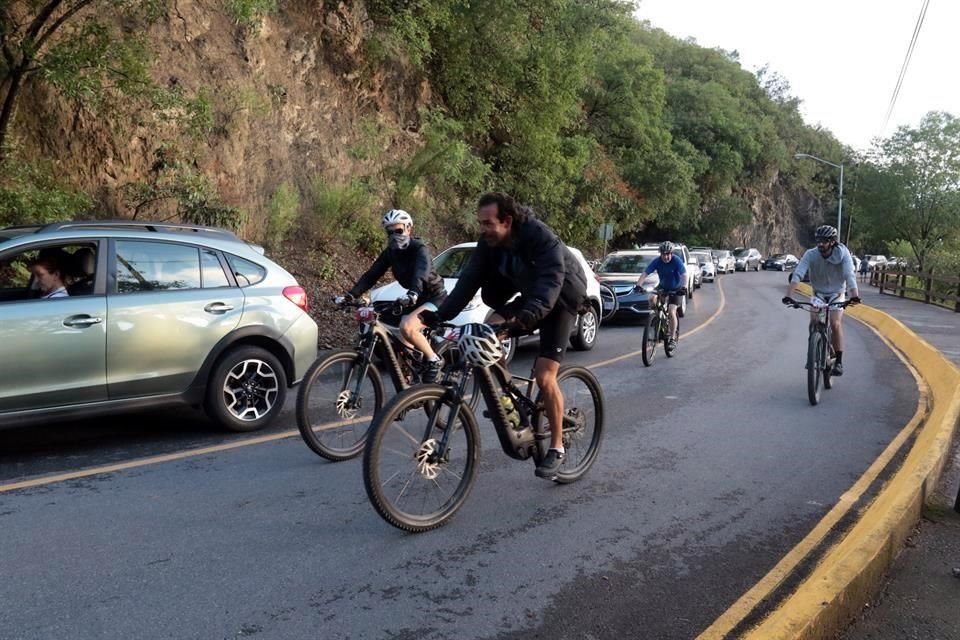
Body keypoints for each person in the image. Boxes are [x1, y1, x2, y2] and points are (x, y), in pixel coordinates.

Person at [425, 192, 588, 480]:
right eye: (480, 223)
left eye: (488, 223)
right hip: (530, 296)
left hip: (562, 297)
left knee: (544, 375)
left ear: (507, 220)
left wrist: (528, 315)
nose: (483, 229)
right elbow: (468, 281)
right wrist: (441, 315)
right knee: (487, 332)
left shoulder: (539, 236)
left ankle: (557, 447)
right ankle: (508, 401)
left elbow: (552, 278)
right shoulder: (489, 244)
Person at [344, 209, 448, 383]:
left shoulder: (419, 249)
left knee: (407, 327)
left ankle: (434, 360)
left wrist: (413, 292)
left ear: (408, 228)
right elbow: (372, 274)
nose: (394, 236)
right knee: (402, 337)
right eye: (389, 232)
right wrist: (351, 294)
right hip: (416, 297)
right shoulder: (390, 253)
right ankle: (408, 380)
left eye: (398, 231)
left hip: (435, 297)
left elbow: (421, 273)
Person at [782, 225, 861, 376]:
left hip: (837, 293)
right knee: (814, 321)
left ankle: (838, 361)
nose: (820, 244)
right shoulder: (811, 254)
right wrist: (788, 295)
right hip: (818, 293)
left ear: (832, 242)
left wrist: (854, 295)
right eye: (818, 241)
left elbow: (849, 276)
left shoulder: (843, 255)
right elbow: (798, 273)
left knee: (835, 324)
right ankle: (812, 354)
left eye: (824, 241)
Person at [642, 241, 686, 351]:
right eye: (663, 254)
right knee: (652, 298)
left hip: (676, 289)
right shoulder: (657, 261)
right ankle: (657, 319)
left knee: (671, 311)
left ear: (671, 253)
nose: (666, 257)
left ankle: (672, 338)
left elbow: (684, 274)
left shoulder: (676, 261)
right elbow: (645, 273)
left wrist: (684, 287)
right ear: (660, 254)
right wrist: (638, 285)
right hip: (663, 286)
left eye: (668, 254)